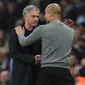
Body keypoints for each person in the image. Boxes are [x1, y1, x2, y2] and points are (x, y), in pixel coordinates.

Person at [15, 3, 75, 85]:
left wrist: (20, 34)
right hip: (64, 72)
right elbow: (60, 45)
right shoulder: (71, 31)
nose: (44, 16)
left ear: (51, 13)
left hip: (47, 71)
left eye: (46, 13)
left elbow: (23, 42)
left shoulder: (42, 29)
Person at [9, 5, 41, 85]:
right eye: (33, 16)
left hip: (36, 74)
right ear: (25, 16)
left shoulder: (41, 32)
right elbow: (13, 53)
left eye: (37, 16)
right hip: (20, 74)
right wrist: (33, 59)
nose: (36, 19)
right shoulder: (15, 32)